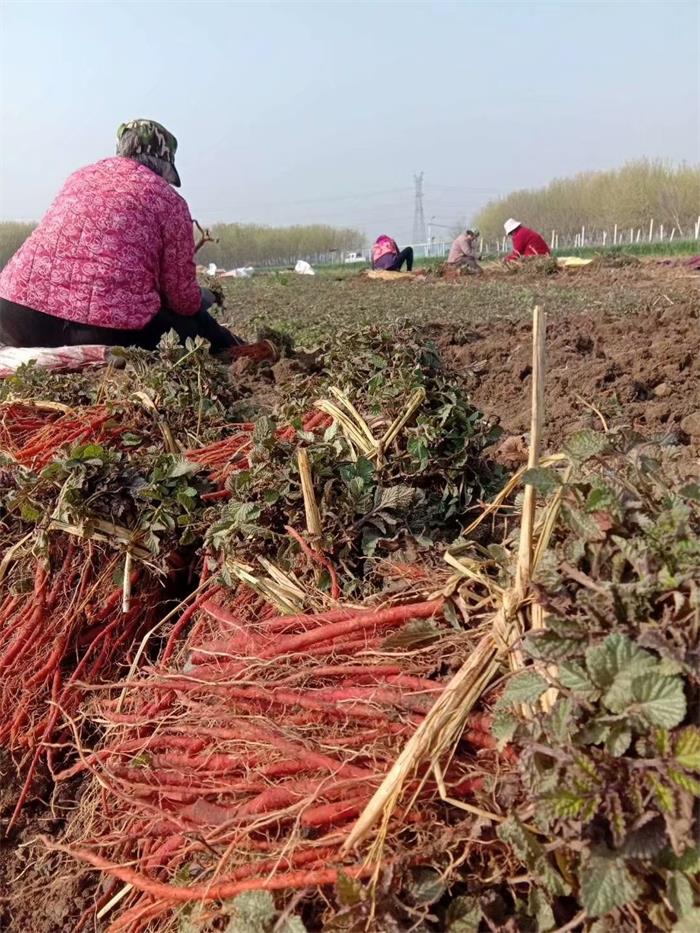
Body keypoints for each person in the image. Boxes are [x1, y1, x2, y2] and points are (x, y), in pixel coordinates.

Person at [0, 119, 243, 354]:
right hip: (101, 328)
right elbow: (181, 299)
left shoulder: (79, 177)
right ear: (165, 165)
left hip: (15, 316)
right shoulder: (169, 201)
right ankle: (240, 348)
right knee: (195, 325)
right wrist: (202, 299)